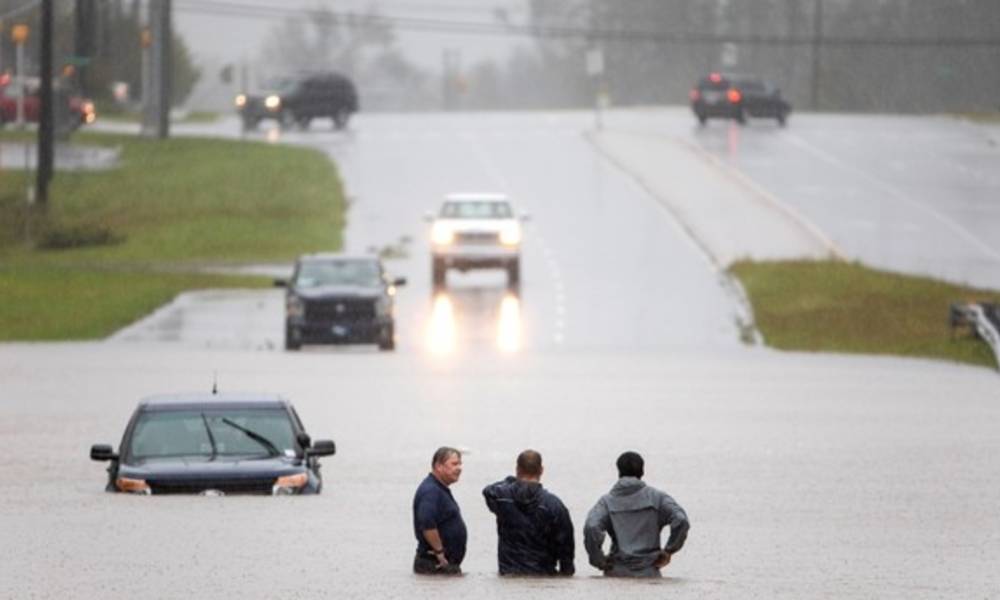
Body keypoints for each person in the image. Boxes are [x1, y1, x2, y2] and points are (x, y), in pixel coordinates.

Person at [583, 451, 689, 578]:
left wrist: (599, 561)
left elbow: (591, 526)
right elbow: (681, 520)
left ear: (619, 472)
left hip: (616, 573)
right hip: (649, 572)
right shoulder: (657, 498)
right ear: (642, 472)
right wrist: (668, 551)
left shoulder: (606, 502)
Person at [482, 449, 575, 576]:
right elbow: (566, 546)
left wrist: (511, 480)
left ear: (517, 469)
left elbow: (487, 491)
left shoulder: (501, 497)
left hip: (508, 572)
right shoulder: (554, 505)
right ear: (541, 470)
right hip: (543, 574)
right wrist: (567, 572)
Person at [412, 446, 467, 575]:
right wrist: (440, 553)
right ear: (438, 466)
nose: (459, 468)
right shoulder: (431, 491)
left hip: (443, 565)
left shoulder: (439, 488)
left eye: (460, 464)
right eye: (454, 464)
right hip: (434, 564)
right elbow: (426, 522)